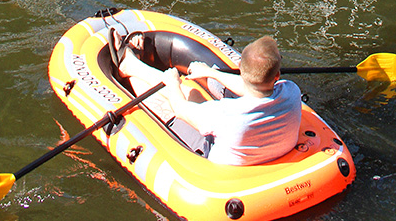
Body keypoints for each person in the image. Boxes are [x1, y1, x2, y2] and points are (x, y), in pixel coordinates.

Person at [117, 33, 302, 166]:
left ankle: (129, 67)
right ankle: (134, 67)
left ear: (241, 69)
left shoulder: (225, 113)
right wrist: (211, 73)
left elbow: (181, 109)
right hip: (263, 152)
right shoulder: (291, 92)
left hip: (213, 155)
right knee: (194, 92)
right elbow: (254, 85)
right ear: (277, 76)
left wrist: (172, 82)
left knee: (173, 99)